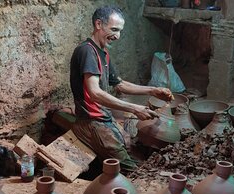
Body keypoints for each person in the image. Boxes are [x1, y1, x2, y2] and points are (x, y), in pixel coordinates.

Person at [70, 6, 173, 172]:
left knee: (130, 148)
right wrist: (134, 108)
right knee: (133, 171)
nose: (117, 36)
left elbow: (120, 84)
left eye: (120, 31)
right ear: (98, 24)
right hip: (91, 122)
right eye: (114, 29)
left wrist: (153, 90)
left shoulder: (102, 52)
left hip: (103, 118)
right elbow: (95, 93)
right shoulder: (87, 52)